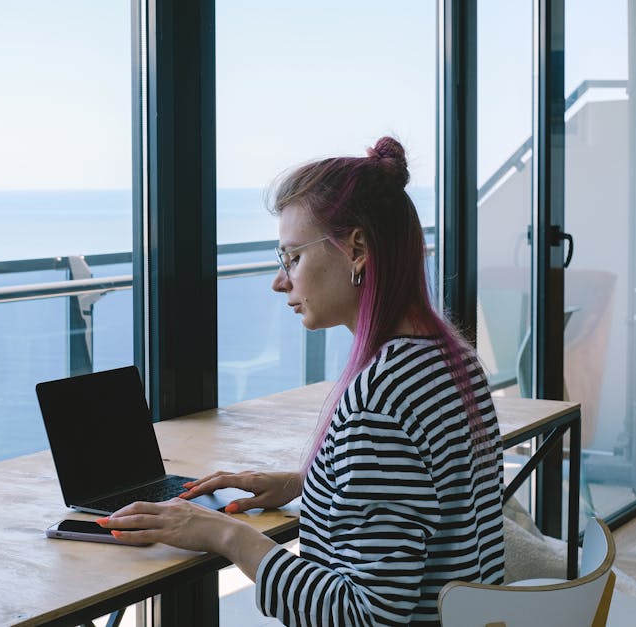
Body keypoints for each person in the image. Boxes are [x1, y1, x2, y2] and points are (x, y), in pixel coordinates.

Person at [97, 137, 505, 626]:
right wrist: (311, 485)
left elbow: (365, 615)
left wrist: (226, 536)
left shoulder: (379, 399)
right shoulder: (452, 360)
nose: (279, 280)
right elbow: (429, 496)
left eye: (292, 257)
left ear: (356, 249)